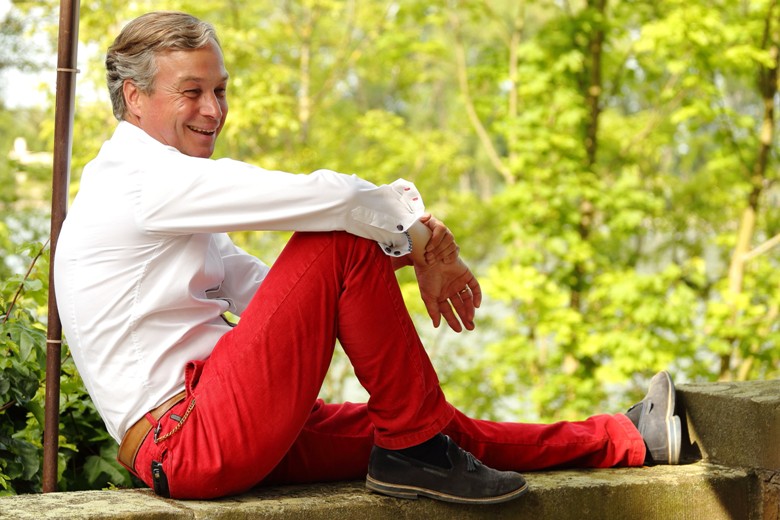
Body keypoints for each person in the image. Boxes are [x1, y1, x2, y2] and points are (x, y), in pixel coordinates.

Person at [53, 11, 682, 503]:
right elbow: (332, 201)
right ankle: (416, 451)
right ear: (135, 97)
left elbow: (269, 292)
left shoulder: (165, 194)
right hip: (190, 438)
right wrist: (417, 237)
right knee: (339, 238)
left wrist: (392, 259)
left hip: (222, 418)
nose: (214, 110)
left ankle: (626, 438)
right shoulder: (141, 182)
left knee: (423, 425)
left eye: (219, 90)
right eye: (192, 92)